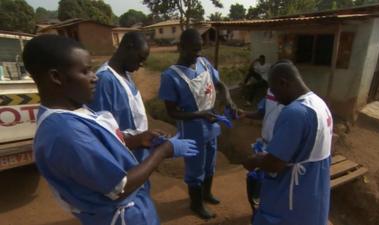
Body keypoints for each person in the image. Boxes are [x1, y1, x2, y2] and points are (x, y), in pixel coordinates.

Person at [24, 34, 199, 225]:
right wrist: (163, 152)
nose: (94, 77)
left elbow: (102, 141)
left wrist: (138, 139)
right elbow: (119, 188)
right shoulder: (66, 134)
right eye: (86, 71)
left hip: (131, 207)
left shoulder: (74, 110)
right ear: (56, 77)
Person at [158, 29, 237, 219]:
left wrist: (228, 99)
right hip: (192, 130)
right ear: (180, 47)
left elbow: (220, 85)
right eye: (194, 50)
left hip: (210, 125)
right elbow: (172, 112)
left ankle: (206, 194)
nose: (198, 54)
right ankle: (196, 204)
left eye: (200, 49)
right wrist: (200, 114)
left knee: (210, 163)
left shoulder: (204, 63)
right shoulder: (170, 76)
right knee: (195, 169)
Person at [243, 60, 332, 225]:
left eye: (274, 91)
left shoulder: (295, 113)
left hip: (290, 199)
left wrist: (255, 160)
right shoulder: (319, 104)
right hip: (312, 193)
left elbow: (275, 164)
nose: (275, 99)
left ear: (283, 83)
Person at [88, 31, 151, 163]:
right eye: (140, 58)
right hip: (123, 159)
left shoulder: (125, 74)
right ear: (128, 47)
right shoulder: (104, 81)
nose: (141, 64)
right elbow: (102, 133)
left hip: (139, 155)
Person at [239, 87, 284, 215]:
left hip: (279, 149)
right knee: (254, 181)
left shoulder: (295, 102)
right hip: (264, 144)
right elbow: (262, 112)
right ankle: (256, 212)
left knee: (270, 186)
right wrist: (246, 113)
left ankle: (266, 213)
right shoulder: (271, 90)